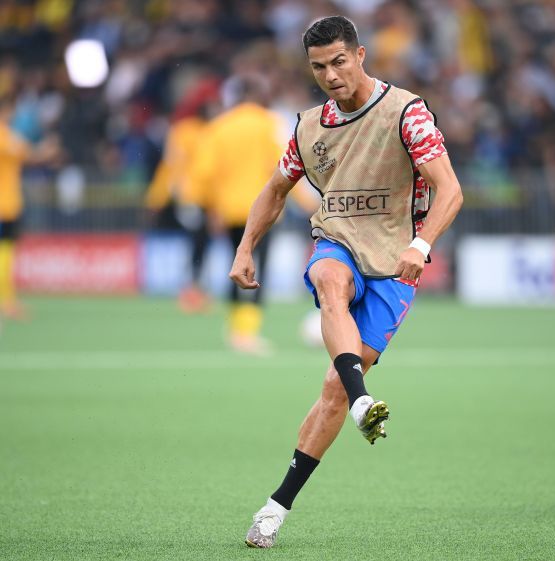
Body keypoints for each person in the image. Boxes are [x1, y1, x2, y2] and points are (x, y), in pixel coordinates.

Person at [228, 16, 463, 549]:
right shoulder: (309, 127)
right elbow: (274, 189)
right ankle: (364, 400)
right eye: (318, 67)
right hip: (337, 240)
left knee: (331, 390)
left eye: (338, 61)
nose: (330, 75)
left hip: (395, 262)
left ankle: (276, 503)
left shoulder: (407, 112)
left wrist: (420, 246)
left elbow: (448, 190)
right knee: (328, 278)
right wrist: (245, 248)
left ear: (359, 55)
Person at [193, 73, 317, 354]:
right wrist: (309, 203)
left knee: (235, 266)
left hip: (229, 209)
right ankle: (247, 331)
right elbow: (285, 167)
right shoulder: (267, 124)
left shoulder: (219, 126)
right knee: (259, 269)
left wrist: (211, 208)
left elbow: (204, 173)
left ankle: (235, 327)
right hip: (263, 209)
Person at [144, 78, 219, 313]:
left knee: (203, 242)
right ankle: (190, 289)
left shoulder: (215, 129)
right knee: (197, 240)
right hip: (190, 197)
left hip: (210, 199)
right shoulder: (184, 131)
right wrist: (156, 198)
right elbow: (170, 167)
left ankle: (195, 287)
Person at [0, 94, 59, 320]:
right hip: (5, 206)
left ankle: (7, 299)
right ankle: (6, 301)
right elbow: (33, 154)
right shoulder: (5, 137)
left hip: (8, 205)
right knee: (5, 255)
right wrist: (50, 147)